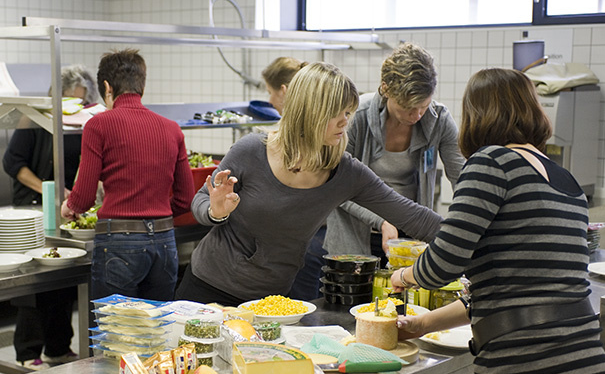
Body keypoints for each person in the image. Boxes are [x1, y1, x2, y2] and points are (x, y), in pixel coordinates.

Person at [391, 68, 605, 374]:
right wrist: (423, 325)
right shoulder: (567, 182)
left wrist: (402, 275)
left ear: (477, 115)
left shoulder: (492, 163)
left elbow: (443, 262)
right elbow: (519, 293)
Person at [174, 61, 443, 307]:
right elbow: (200, 201)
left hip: (271, 302)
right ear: (310, 112)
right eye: (337, 113)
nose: (345, 121)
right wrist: (216, 212)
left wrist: (471, 240)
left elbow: (413, 216)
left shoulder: (345, 172)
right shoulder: (251, 151)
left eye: (348, 112)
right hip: (207, 289)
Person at [324, 42, 466, 374]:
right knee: (351, 345)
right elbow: (339, 185)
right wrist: (382, 220)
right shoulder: (359, 118)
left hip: (408, 248)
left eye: (423, 106)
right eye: (409, 107)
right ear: (385, 90)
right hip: (353, 244)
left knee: (403, 337)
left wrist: (468, 222)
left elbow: (462, 174)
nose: (417, 114)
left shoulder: (438, 121)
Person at [61, 49, 193, 374]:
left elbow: (82, 196)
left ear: (106, 87)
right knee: (156, 346)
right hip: (165, 246)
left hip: (119, 244)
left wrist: (68, 209)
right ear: (142, 82)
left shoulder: (99, 124)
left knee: (118, 350)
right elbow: (186, 198)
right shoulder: (171, 129)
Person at [2, 64, 99, 370]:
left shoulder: (85, 121)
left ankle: (59, 346)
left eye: (82, 101)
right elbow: (12, 162)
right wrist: (51, 193)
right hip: (34, 208)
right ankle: (28, 351)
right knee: (35, 281)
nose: (76, 106)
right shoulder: (34, 117)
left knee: (63, 278)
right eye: (70, 99)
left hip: (70, 210)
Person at [261, 56, 325, 301]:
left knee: (301, 307)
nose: (269, 100)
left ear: (285, 91)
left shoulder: (284, 141)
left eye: (270, 92)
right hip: (315, 238)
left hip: (306, 243)